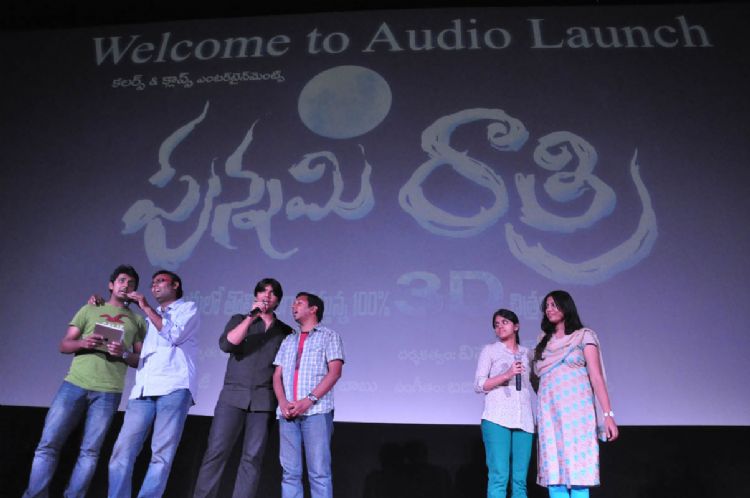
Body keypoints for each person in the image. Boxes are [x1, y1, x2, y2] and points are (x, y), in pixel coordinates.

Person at [23, 264, 146, 498]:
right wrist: (83, 343)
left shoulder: (138, 321)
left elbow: (140, 360)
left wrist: (123, 352)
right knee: (48, 444)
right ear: (111, 285)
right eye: (122, 281)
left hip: (108, 391)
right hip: (74, 384)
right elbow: (64, 345)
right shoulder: (90, 309)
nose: (126, 285)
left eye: (131, 284)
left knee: (90, 452)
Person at [193, 278, 293, 498]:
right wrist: (250, 318)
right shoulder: (239, 319)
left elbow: (286, 369)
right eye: (263, 291)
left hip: (264, 401)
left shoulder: (285, 331)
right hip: (232, 397)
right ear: (256, 296)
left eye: (272, 293)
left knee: (252, 458)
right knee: (216, 452)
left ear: (278, 301)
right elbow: (227, 344)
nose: (267, 295)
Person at [108, 270, 200, 498]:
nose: (155, 286)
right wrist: (123, 353)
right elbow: (141, 356)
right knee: (122, 452)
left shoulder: (188, 308)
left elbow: (175, 335)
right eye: (152, 283)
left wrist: (146, 307)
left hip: (174, 387)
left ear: (175, 285)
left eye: (160, 281)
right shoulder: (148, 318)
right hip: (143, 389)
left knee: (161, 455)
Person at [532, 290, 618, 498]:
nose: (549, 309)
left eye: (554, 305)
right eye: (547, 306)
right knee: (554, 471)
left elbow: (596, 377)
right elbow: (536, 377)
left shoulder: (583, 335)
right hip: (549, 412)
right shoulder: (544, 340)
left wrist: (608, 415)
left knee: (579, 470)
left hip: (577, 414)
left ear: (566, 307)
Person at [272, 292, 345, 498]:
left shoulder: (329, 336)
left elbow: (335, 372)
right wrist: (283, 402)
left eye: (299, 303)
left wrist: (308, 400)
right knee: (290, 473)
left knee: (319, 473)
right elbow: (277, 375)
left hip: (317, 412)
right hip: (287, 414)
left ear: (313, 309)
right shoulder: (288, 340)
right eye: (293, 303)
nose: (293, 306)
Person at [474, 309, 535, 498]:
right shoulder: (490, 351)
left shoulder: (528, 354)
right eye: (496, 324)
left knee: (520, 481)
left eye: (504, 322)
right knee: (499, 477)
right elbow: (479, 385)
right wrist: (507, 375)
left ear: (516, 326)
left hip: (524, 421)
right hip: (497, 418)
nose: (500, 326)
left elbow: (537, 383)